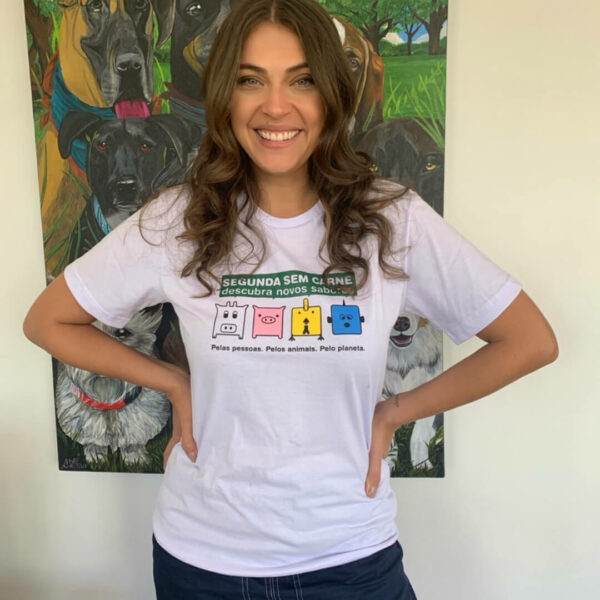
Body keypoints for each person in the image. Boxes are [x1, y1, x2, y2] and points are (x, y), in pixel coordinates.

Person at [23, 0, 558, 598]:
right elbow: (49, 321)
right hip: (203, 562)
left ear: (331, 94)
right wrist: (173, 382)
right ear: (224, 96)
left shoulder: (392, 219)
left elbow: (529, 341)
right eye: (251, 80)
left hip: (351, 557)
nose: (275, 106)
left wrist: (395, 412)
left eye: (301, 80)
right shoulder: (177, 219)